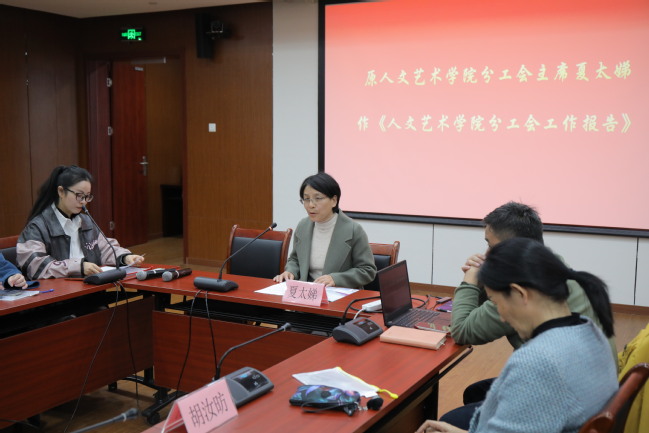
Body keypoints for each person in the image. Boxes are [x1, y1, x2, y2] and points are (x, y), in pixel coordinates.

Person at [416, 238, 618, 433]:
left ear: (520, 294)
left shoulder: (537, 362)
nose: (502, 317)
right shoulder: (590, 330)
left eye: (496, 302)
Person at [17, 165, 144, 279]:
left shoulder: (86, 221)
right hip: (58, 293)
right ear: (61, 191)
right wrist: (79, 267)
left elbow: (105, 249)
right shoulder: (37, 227)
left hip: (89, 287)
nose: (83, 202)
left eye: (87, 196)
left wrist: (125, 257)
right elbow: (35, 266)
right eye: (79, 195)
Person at [273, 172, 376, 288]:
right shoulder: (303, 226)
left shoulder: (353, 230)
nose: (311, 205)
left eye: (317, 198)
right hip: (307, 292)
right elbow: (295, 259)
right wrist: (290, 271)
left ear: (334, 200)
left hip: (339, 293)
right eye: (306, 199)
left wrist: (336, 279)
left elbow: (367, 270)